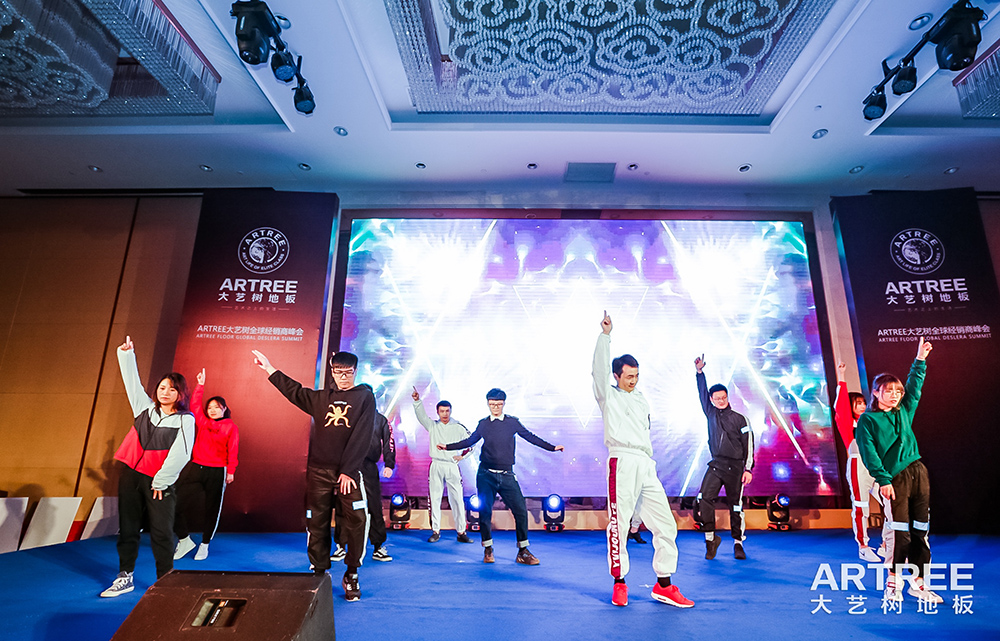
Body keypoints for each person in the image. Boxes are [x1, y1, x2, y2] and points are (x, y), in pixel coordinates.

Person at [252, 349, 376, 602]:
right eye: (338, 372)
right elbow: (295, 392)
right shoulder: (320, 399)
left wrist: (348, 471)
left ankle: (352, 572)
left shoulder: (365, 397)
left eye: (348, 372)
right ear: (332, 372)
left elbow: (362, 435)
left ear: (356, 372)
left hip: (349, 473)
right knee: (316, 522)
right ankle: (318, 570)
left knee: (358, 521)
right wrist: (270, 369)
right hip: (319, 471)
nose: (343, 377)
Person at [593, 312, 693, 608]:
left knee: (666, 524)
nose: (633, 381)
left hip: (646, 463)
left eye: (636, 376)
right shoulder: (608, 396)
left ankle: (664, 585)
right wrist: (605, 336)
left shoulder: (641, 398)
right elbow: (598, 371)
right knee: (619, 524)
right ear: (616, 376)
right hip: (622, 461)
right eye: (628, 376)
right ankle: (619, 583)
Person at [100, 336, 194, 598]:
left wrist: (161, 480)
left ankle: (165, 581)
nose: (165, 392)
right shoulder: (144, 407)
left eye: (172, 389)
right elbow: (132, 382)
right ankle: (125, 576)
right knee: (128, 528)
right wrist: (126, 355)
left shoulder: (185, 420)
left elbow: (182, 453)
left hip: (159, 483)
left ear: (180, 394)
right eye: (162, 387)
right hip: (130, 475)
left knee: (162, 532)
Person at [856, 337, 941, 604]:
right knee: (899, 532)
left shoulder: (904, 411)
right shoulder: (868, 420)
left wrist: (920, 360)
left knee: (920, 530)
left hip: (918, 473)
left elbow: (915, 387)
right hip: (895, 479)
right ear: (875, 393)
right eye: (888, 390)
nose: (895, 395)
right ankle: (893, 584)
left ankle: (918, 583)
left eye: (897, 391)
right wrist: (883, 479)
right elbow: (869, 454)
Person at [438, 388, 563, 565]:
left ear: (503, 404)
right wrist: (448, 447)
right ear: (488, 404)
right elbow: (470, 441)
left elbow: (530, 437)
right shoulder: (483, 424)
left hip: (507, 475)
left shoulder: (512, 422)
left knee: (520, 510)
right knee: (485, 511)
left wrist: (552, 448)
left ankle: (523, 551)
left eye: (498, 404)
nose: (495, 407)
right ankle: (488, 549)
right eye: (492, 404)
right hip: (486, 475)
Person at [174, 368, 240, 562]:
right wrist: (200, 385)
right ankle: (184, 540)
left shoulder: (231, 427)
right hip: (197, 468)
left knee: (212, 509)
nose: (212, 410)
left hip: (218, 471)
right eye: (210, 407)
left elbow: (233, 450)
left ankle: (204, 544)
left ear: (224, 409)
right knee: (174, 503)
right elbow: (195, 405)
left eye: (216, 407)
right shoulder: (202, 422)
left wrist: (231, 471)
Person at [693, 354, 755, 561]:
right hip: (716, 465)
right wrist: (699, 372)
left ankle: (738, 543)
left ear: (728, 397)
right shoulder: (710, 413)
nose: (720, 401)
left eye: (723, 398)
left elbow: (748, 445)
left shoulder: (740, 419)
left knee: (735, 506)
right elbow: (702, 392)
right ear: (712, 400)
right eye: (717, 398)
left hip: (736, 468)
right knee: (704, 498)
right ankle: (710, 539)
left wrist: (748, 469)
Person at [833, 361, 891, 563]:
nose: (862, 406)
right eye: (857, 403)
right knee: (861, 506)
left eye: (863, 402)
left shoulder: (870, 421)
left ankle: (886, 545)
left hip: (876, 466)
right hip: (858, 465)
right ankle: (863, 546)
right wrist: (842, 377)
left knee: (891, 503)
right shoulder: (847, 423)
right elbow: (840, 405)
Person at [332, 409, 396, 562]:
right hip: (348, 466)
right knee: (344, 505)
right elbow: (335, 440)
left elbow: (389, 442)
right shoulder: (348, 415)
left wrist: (389, 464)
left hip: (369, 467)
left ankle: (378, 547)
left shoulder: (380, 419)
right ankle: (341, 546)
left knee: (374, 506)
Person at [412, 387, 474, 543]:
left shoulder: (458, 427)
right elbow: (421, 416)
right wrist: (417, 401)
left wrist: (462, 456)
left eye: (447, 411)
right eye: (442, 411)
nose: (445, 414)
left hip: (452, 465)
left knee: (457, 499)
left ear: (451, 411)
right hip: (436, 464)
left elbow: (472, 443)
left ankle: (461, 532)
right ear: (437, 412)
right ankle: (435, 531)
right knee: (435, 498)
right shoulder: (433, 425)